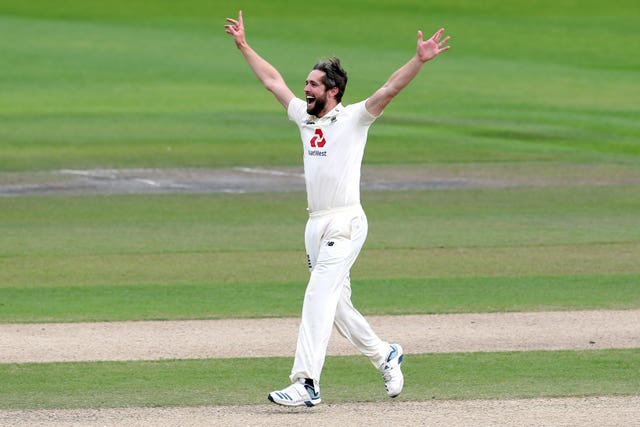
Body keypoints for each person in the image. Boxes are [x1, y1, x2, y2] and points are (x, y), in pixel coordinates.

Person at [224, 10, 450, 407]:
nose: (304, 89)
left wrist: (418, 60)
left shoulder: (355, 119)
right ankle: (385, 354)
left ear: (333, 92)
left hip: (346, 221)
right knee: (337, 306)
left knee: (317, 295)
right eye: (306, 84)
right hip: (314, 225)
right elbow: (271, 81)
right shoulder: (304, 120)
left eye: (312, 85)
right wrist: (244, 46)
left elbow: (389, 89)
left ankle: (306, 383)